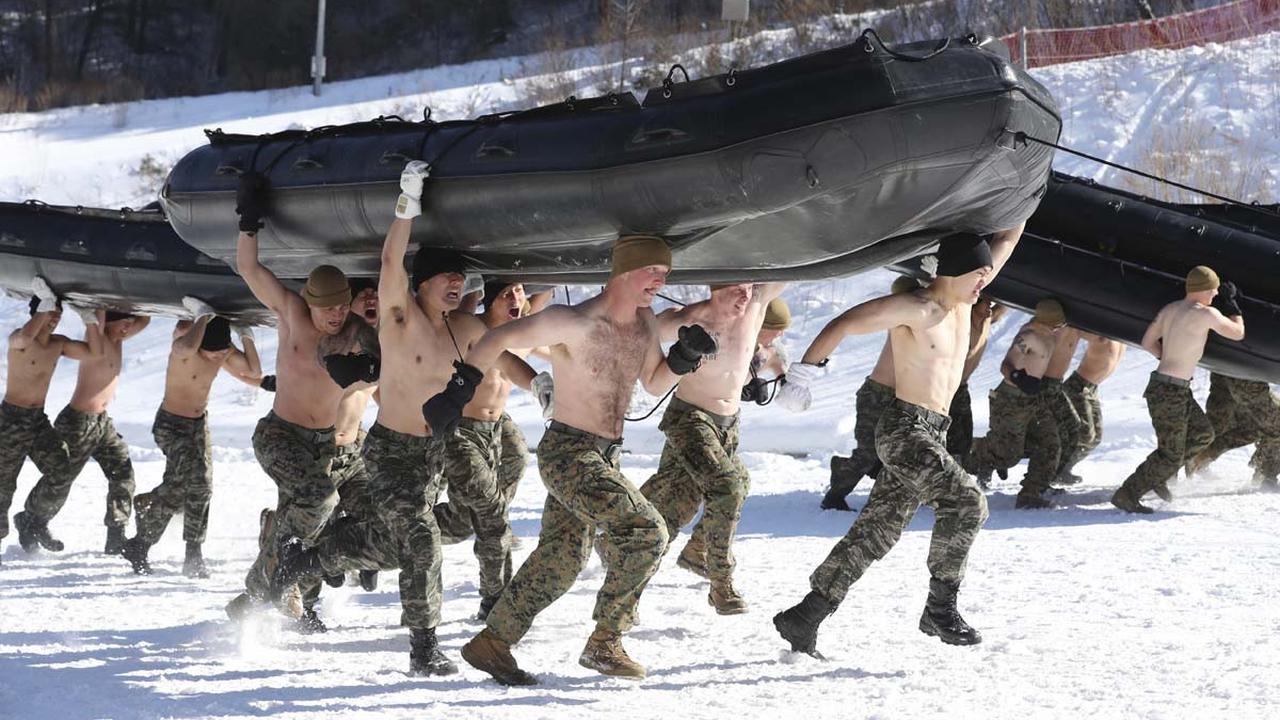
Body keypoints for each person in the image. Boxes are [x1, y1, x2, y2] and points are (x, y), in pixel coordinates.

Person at [272, 161, 536, 675]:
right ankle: (423, 648)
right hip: (392, 450)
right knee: (421, 540)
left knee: (401, 543)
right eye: (447, 278)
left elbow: (502, 344)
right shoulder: (400, 316)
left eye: (462, 279)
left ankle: (314, 558)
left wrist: (540, 385)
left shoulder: (462, 325)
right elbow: (392, 261)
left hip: (437, 452)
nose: (457, 285)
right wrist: (406, 202)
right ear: (424, 283)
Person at [444, 234, 716, 685]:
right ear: (625, 271)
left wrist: (683, 359)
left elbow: (651, 381)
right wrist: (459, 388)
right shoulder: (574, 321)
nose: (660, 281)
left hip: (605, 455)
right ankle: (605, 641)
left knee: (563, 557)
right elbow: (497, 338)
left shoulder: (645, 323)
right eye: (654, 272)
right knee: (648, 531)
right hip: (569, 452)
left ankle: (492, 642)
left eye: (664, 275)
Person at [771, 225, 1023, 657]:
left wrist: (1034, 188)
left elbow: (1007, 239)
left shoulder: (965, 301)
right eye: (980, 273)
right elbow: (845, 323)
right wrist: (803, 374)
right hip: (904, 429)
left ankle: (806, 615)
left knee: (877, 532)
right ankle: (939, 609)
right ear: (957, 271)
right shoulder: (917, 308)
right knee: (968, 502)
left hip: (934, 433)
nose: (987, 280)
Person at [227, 171, 372, 630]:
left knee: (333, 517)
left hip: (329, 443)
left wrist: (368, 367)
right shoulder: (290, 314)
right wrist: (249, 219)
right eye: (324, 308)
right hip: (280, 434)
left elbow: (395, 356)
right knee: (317, 499)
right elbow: (250, 269)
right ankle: (275, 574)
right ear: (307, 302)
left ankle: (282, 592)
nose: (332, 316)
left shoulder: (358, 332)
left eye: (340, 307)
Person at [636, 280, 786, 615]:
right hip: (691, 418)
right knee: (727, 487)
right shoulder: (690, 319)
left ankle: (689, 549)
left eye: (749, 287)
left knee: (679, 496)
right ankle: (721, 584)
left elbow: (792, 266)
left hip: (727, 424)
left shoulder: (756, 306)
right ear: (715, 287)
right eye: (736, 288)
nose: (745, 295)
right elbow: (635, 332)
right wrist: (679, 354)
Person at [433, 280, 555, 620]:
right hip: (462, 429)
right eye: (505, 294)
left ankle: (481, 520)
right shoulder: (475, 330)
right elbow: (461, 310)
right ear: (489, 301)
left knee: (465, 518)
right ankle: (495, 599)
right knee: (490, 516)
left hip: (496, 426)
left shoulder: (522, 333)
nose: (515, 299)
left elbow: (542, 296)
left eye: (519, 292)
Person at [121, 303, 263, 577]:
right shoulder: (183, 353)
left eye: (224, 352)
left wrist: (246, 336)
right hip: (171, 425)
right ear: (201, 345)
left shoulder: (221, 351)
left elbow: (254, 370)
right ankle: (143, 544)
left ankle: (190, 552)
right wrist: (203, 316)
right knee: (179, 486)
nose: (218, 358)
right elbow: (185, 345)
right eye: (214, 352)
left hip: (198, 426)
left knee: (202, 488)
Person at [19, 298, 150, 554]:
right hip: (78, 422)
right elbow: (99, 314)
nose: (127, 329)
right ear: (107, 323)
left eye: (127, 325)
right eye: (122, 324)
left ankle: (116, 532)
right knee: (61, 478)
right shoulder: (98, 339)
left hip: (103, 423)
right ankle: (32, 520)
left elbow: (143, 320)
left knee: (123, 474)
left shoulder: (118, 338)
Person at [1111, 267, 1245, 513]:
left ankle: (1159, 476)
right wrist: (1232, 304)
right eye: (1215, 289)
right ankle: (1127, 493)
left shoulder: (1170, 309)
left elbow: (1147, 341)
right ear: (1205, 289)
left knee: (1203, 434)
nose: (1216, 293)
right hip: (1170, 391)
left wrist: (1170, 360)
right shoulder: (1206, 313)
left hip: (1170, 386)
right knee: (1170, 453)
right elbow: (1237, 333)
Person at [676, 296, 791, 578]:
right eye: (776, 328)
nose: (780, 334)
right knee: (681, 497)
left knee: (734, 484)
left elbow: (781, 371)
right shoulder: (730, 338)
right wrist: (740, 388)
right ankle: (625, 543)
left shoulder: (767, 350)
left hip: (725, 426)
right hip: (695, 420)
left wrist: (775, 384)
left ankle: (697, 548)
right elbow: (704, 376)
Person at [3, 279, 98, 561]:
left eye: (57, 317)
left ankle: (32, 519)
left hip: (37, 420)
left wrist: (90, 320)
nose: (54, 322)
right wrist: (44, 308)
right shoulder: (19, 340)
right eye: (49, 316)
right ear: (37, 314)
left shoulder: (58, 344)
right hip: (10, 419)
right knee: (3, 484)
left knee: (61, 470)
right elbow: (22, 339)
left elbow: (94, 354)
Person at [820, 276, 921, 511]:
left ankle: (881, 490)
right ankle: (834, 495)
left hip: (897, 396)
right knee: (867, 454)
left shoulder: (912, 316)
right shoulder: (901, 319)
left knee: (892, 451)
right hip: (876, 395)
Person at [961, 298, 1067, 508]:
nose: (1061, 325)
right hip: (1012, 398)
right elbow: (1006, 364)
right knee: (1007, 453)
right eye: (1059, 322)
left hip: (1033, 399)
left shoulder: (1048, 333)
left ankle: (1032, 492)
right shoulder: (1028, 336)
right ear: (1052, 322)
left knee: (1050, 444)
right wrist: (1020, 378)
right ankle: (963, 453)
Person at [1185, 371, 1279, 491]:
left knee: (1220, 422)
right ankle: (1266, 477)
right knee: (1273, 424)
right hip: (1246, 375)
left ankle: (1198, 456)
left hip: (1225, 367)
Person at [1057, 331, 1125, 480]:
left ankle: (1063, 469)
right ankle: (1056, 471)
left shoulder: (1123, 334)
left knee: (1095, 438)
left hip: (1092, 389)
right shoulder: (1100, 330)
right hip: (1078, 387)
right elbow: (1075, 329)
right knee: (1085, 434)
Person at [946, 297, 1007, 459]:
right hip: (947, 389)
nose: (989, 309)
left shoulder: (986, 320)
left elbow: (1001, 310)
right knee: (953, 440)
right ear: (973, 307)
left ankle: (974, 462)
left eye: (990, 305)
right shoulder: (960, 324)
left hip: (962, 388)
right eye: (985, 305)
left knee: (966, 436)